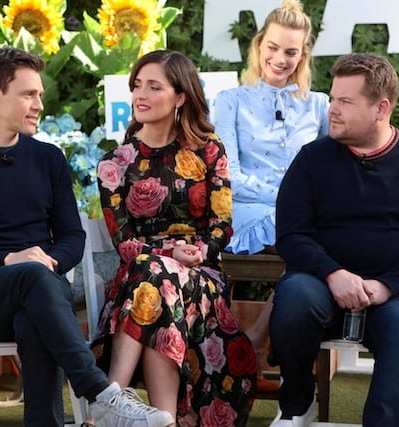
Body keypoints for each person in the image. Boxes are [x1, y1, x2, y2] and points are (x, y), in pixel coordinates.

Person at [0, 46, 174, 427]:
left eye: (39, 94)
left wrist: (45, 262)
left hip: (39, 297)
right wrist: (9, 261)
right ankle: (102, 395)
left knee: (35, 310)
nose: (39, 103)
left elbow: (71, 236)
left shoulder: (48, 159)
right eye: (27, 94)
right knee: (37, 281)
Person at [269, 52, 399, 427]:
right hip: (320, 283)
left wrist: (388, 285)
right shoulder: (312, 159)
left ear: (381, 108)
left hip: (396, 292)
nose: (332, 110)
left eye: (345, 101)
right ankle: (297, 399)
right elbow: (291, 234)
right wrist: (332, 273)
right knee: (294, 297)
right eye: (332, 98)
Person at [93, 49, 257, 426]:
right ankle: (160, 417)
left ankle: (110, 401)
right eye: (137, 86)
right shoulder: (115, 162)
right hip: (139, 275)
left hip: (201, 277)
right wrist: (170, 254)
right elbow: (124, 241)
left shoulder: (208, 151)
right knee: (156, 275)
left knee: (158, 278)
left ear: (181, 96)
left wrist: (195, 253)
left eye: (154, 86)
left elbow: (222, 225)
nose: (141, 95)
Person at [213, 0, 329, 389]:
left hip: (300, 213)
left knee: (313, 237)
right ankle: (270, 336)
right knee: (302, 235)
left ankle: (264, 330)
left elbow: (330, 170)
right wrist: (290, 196)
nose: (280, 58)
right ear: (259, 44)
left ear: (303, 55)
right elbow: (229, 173)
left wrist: (303, 199)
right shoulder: (231, 100)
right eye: (273, 47)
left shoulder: (320, 105)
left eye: (291, 51)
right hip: (248, 208)